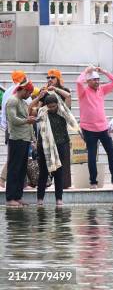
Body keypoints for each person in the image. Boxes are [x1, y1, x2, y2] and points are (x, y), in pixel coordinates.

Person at [76, 66, 113, 189]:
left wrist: (104, 71)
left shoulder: (101, 90)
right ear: (88, 81)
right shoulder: (83, 91)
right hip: (88, 128)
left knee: (111, 152)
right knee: (92, 155)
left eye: (98, 79)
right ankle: (93, 182)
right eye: (94, 80)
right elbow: (78, 82)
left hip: (103, 127)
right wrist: (86, 71)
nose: (97, 82)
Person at [35, 93, 77, 206]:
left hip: (61, 144)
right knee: (43, 173)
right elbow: (34, 119)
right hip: (45, 146)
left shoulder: (63, 112)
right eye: (50, 107)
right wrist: (38, 98)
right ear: (46, 106)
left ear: (57, 104)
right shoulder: (42, 112)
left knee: (59, 172)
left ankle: (59, 199)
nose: (52, 109)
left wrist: (54, 89)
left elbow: (68, 96)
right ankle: (40, 199)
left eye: (54, 106)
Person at [5, 79, 36, 207]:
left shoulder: (22, 102)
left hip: (25, 139)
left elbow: (27, 121)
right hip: (17, 139)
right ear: (23, 90)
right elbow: (13, 119)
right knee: (14, 169)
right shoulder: (12, 101)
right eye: (29, 93)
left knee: (22, 170)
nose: (29, 95)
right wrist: (27, 121)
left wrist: (33, 139)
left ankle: (18, 196)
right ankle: (10, 198)